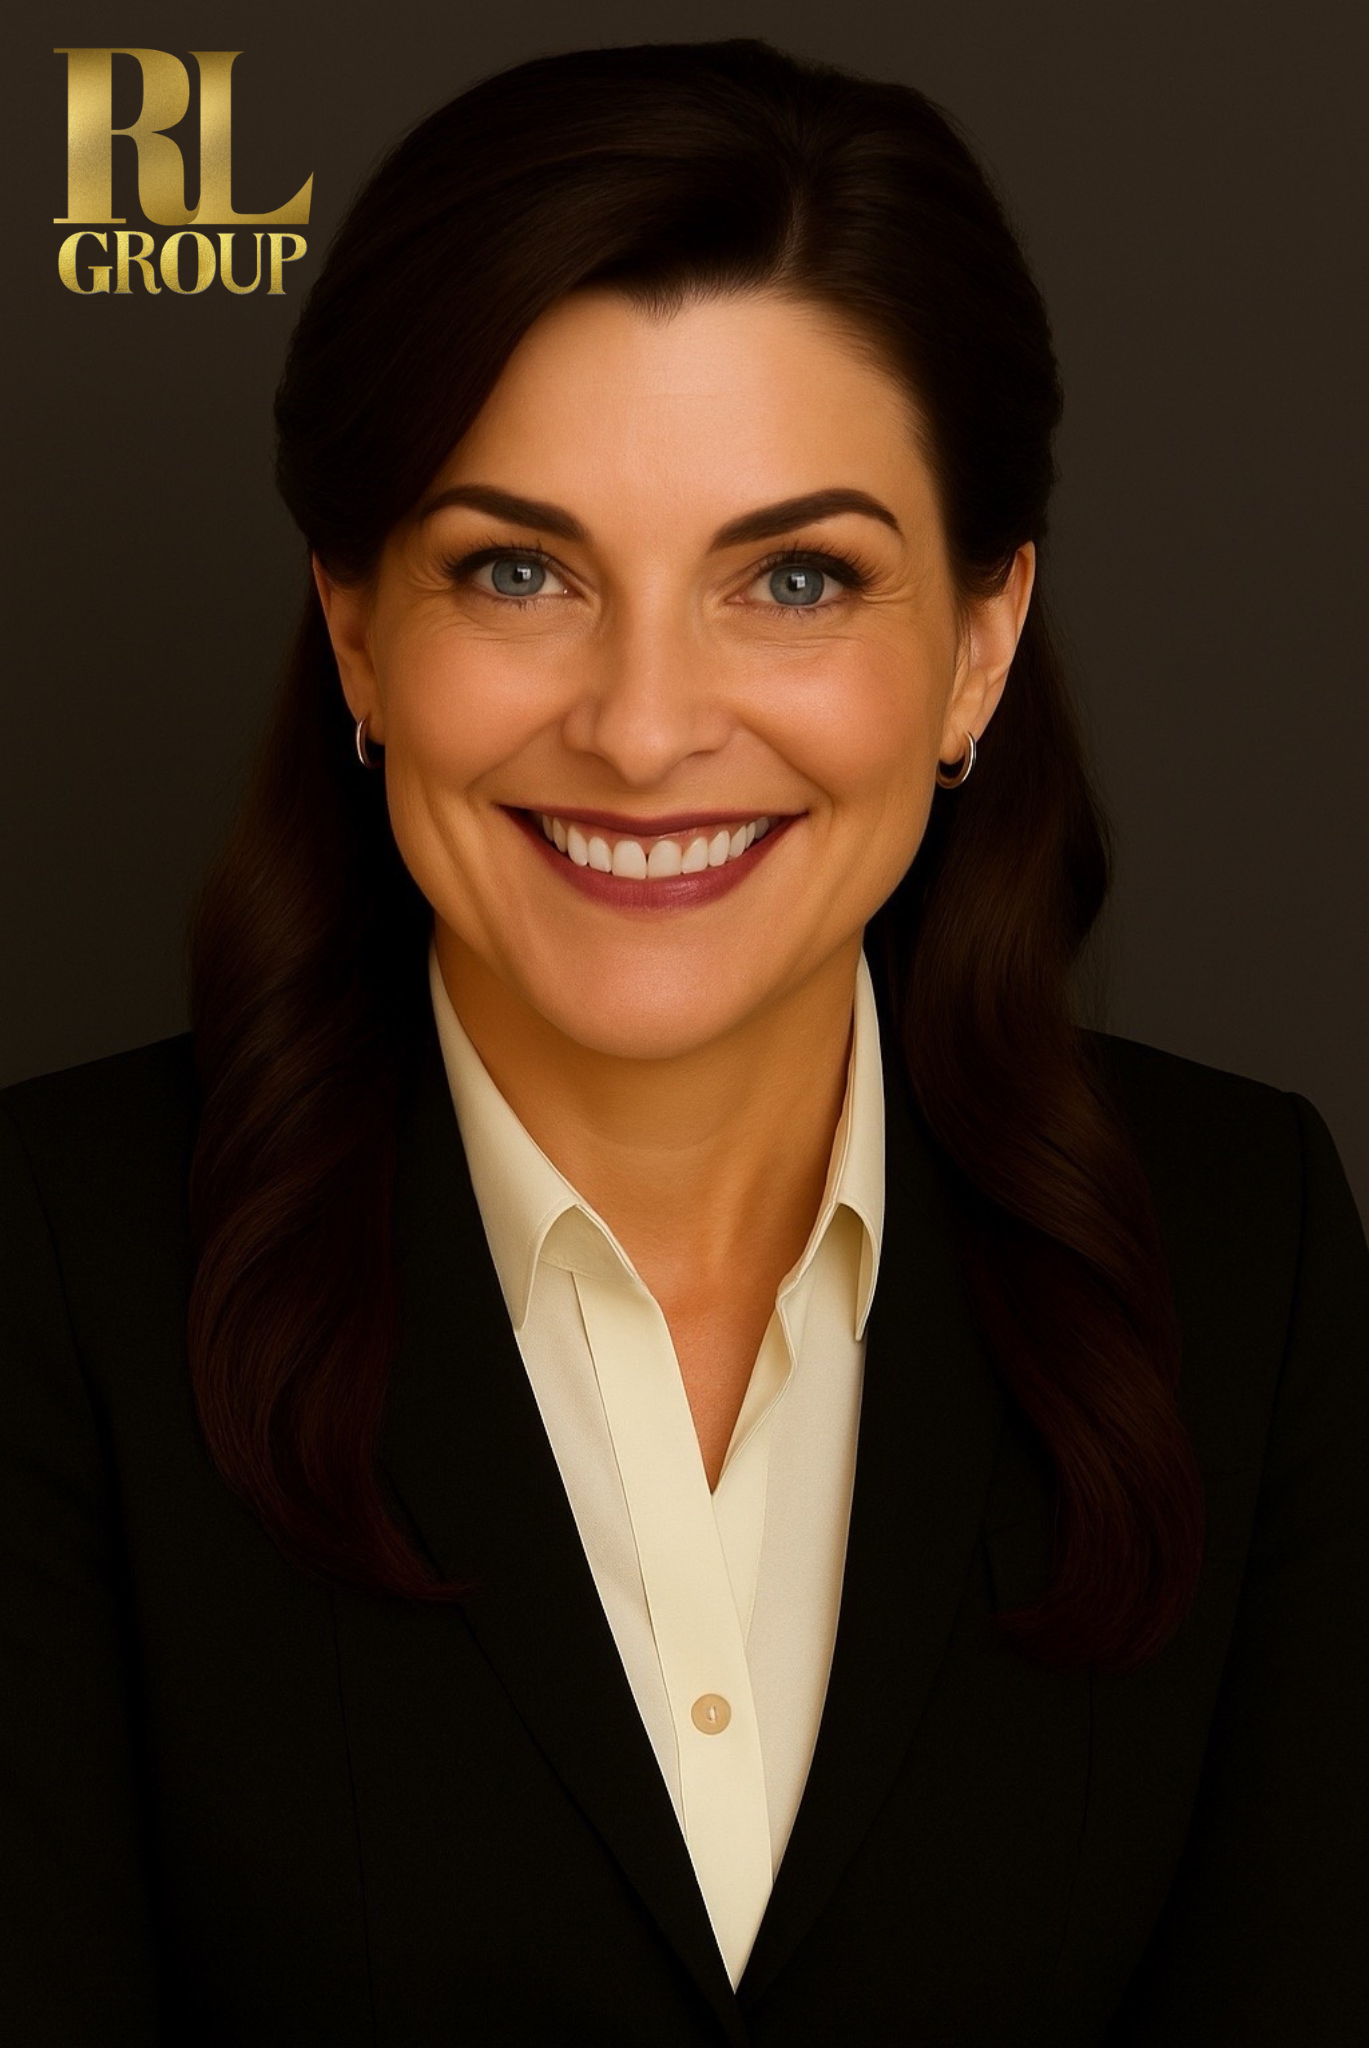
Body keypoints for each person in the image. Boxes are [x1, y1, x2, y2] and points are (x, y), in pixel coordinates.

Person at [2, 34, 1365, 2045]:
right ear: (362, 631)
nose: (645, 728)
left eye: (793, 576)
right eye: (520, 570)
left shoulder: (1247, 1255)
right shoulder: (47, 1273)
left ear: (981, 642)